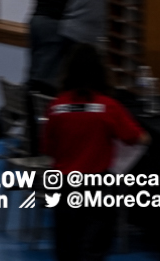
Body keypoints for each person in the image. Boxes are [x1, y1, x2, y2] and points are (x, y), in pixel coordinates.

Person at [43, 43, 145, 261]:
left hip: (64, 188)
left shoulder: (56, 107)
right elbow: (136, 138)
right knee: (93, 250)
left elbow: (47, 149)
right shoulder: (108, 107)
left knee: (66, 250)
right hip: (97, 188)